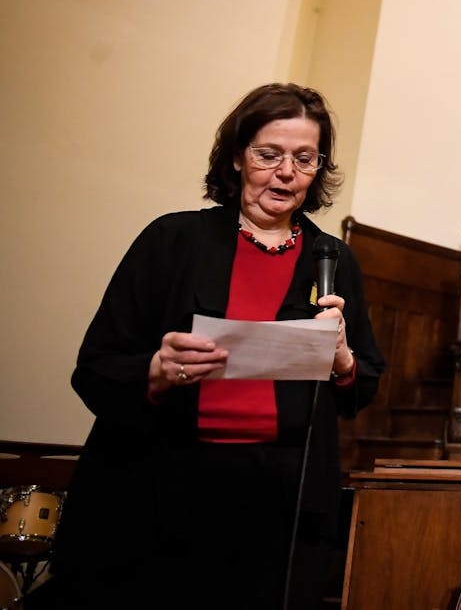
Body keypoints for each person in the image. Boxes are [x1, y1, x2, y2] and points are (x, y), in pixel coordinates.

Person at [50, 83, 385, 609]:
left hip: (279, 504)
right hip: (166, 489)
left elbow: (364, 380)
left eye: (304, 158)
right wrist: (157, 371)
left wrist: (342, 361)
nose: (286, 172)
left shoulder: (334, 259)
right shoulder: (172, 241)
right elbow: (94, 367)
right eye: (268, 154)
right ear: (237, 157)